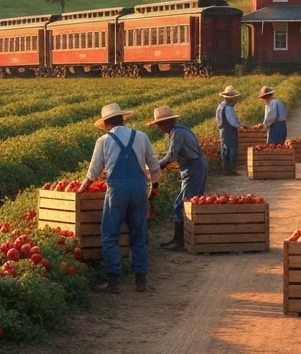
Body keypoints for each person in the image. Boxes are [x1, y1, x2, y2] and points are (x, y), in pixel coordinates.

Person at [79, 103, 162, 293]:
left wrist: (82, 189)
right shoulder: (141, 136)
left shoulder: (103, 141)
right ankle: (140, 281)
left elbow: (93, 172)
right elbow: (154, 167)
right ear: (122, 119)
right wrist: (152, 188)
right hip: (139, 188)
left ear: (106, 124)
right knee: (139, 235)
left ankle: (114, 281)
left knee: (110, 235)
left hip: (117, 191)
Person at [149, 105, 207, 251]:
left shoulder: (177, 133)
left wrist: (155, 166)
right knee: (192, 203)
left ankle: (180, 241)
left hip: (193, 168)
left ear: (167, 122)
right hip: (195, 167)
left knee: (181, 204)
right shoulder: (181, 130)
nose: (159, 127)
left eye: (160, 124)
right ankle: (190, 238)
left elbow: (171, 156)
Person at [215, 86, 242, 175]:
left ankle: (225, 169)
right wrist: (240, 126)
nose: (235, 101)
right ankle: (231, 169)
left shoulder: (220, 106)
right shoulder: (228, 108)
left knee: (225, 149)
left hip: (222, 130)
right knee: (232, 148)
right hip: (229, 130)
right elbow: (232, 121)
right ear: (231, 99)